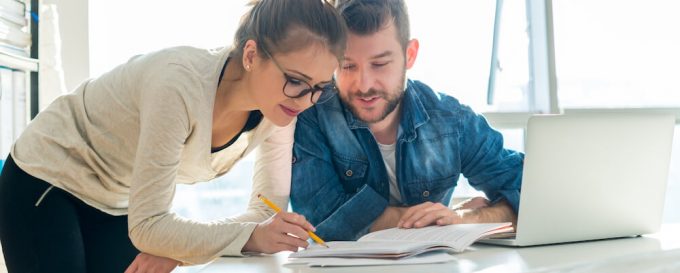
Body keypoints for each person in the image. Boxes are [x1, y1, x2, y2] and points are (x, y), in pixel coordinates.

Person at [0, 0, 346, 272]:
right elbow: (150, 227)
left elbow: (261, 213)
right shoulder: (178, 85)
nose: (305, 101)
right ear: (252, 55)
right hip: (48, 175)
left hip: (116, 198)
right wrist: (190, 241)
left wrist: (181, 249)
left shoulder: (281, 111)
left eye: (319, 88)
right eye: (296, 81)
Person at [290, 0, 524, 241]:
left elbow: (532, 192)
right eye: (347, 65)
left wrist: (468, 219)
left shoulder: (450, 120)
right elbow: (319, 219)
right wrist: (435, 222)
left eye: (379, 64)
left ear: (409, 54)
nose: (364, 84)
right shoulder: (312, 115)